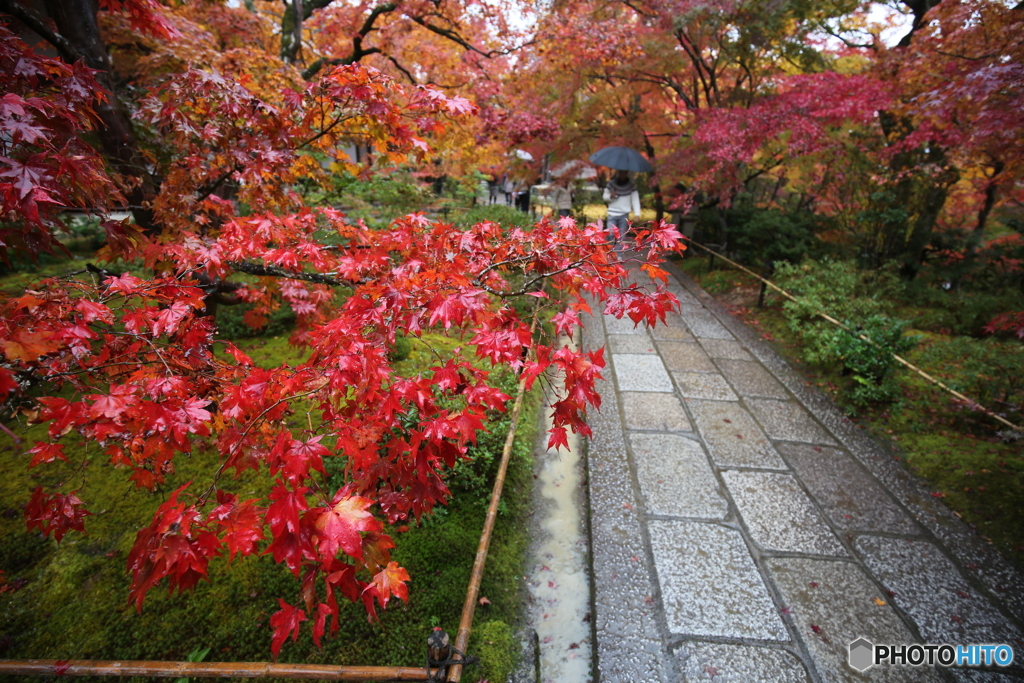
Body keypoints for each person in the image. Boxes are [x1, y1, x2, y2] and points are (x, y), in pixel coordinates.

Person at [602, 169, 642, 245]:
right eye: (621, 172)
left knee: (622, 236)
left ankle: (619, 255)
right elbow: (604, 197)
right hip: (612, 213)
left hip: (624, 214)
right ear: (618, 172)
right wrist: (611, 196)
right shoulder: (611, 184)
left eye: (624, 172)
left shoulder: (631, 185)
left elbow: (635, 200)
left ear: (627, 173)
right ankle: (611, 254)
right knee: (610, 234)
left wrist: (637, 214)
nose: (622, 174)